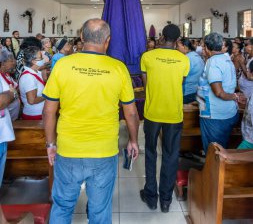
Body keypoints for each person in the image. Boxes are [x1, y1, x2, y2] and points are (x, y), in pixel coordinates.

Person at [43, 19, 139, 224]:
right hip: (103, 150)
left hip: (69, 148)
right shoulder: (118, 68)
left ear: (81, 37)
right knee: (100, 210)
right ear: (108, 41)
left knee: (62, 207)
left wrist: (51, 144)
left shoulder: (63, 65)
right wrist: (133, 140)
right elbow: (130, 113)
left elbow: (49, 111)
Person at [140, 24, 190, 213]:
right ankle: (166, 200)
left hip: (153, 112)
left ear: (161, 37)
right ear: (178, 40)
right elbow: (181, 81)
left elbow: (146, 84)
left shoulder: (147, 56)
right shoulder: (183, 59)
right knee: (171, 155)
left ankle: (151, 196)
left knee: (151, 153)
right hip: (173, 113)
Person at [197, 32, 246, 154]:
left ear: (208, 48)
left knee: (214, 151)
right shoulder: (226, 58)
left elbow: (219, 92)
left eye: (203, 47)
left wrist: (235, 96)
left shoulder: (213, 62)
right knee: (221, 147)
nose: (202, 49)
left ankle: (213, 173)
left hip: (215, 114)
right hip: (227, 111)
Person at [0, 48, 18, 187]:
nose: (14, 62)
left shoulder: (4, 75)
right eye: (11, 60)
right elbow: (1, 102)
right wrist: (11, 94)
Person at [19, 46, 46, 120]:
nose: (43, 59)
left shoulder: (35, 72)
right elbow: (32, 100)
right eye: (40, 57)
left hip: (41, 113)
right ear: (34, 61)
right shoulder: (28, 77)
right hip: (34, 115)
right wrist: (47, 96)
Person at [177, 38, 205, 104]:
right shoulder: (196, 56)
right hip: (195, 90)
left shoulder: (187, 58)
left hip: (187, 92)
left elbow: (181, 77)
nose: (177, 48)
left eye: (178, 46)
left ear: (185, 47)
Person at [0, 49, 20, 121]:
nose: (14, 63)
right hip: (5, 119)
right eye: (11, 61)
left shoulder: (7, 74)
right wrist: (13, 93)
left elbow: (17, 87)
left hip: (12, 117)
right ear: (3, 63)